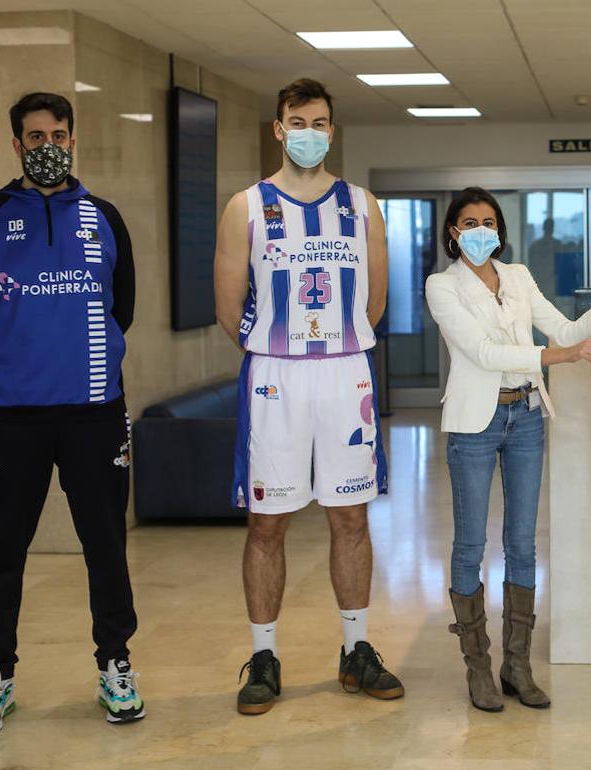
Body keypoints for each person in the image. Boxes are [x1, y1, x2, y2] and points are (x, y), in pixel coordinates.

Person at [0, 92, 142, 735]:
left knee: (106, 546)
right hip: (11, 416)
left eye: (58, 133)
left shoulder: (104, 217)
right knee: (1, 549)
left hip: (93, 414)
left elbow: (123, 308)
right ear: (17, 145)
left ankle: (115, 663)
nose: (48, 145)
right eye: (34, 136)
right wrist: (3, 363)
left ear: (74, 138)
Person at [214, 78, 400, 715]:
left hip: (345, 372)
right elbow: (226, 304)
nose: (310, 132)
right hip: (276, 374)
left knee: (350, 516)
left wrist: (333, 343)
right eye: (298, 120)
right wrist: (282, 345)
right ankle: (263, 657)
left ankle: (357, 650)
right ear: (277, 127)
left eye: (320, 122)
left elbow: (373, 302)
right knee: (267, 522)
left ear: (332, 130)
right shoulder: (246, 205)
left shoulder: (362, 204)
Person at [425, 187, 591, 712]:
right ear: (453, 232)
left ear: (500, 229)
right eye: (469, 222)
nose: (480, 230)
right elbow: (483, 351)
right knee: (471, 544)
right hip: (476, 420)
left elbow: (562, 326)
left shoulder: (516, 277)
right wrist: (560, 355)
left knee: (522, 542)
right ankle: (478, 668)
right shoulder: (440, 286)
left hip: (526, 417)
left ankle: (517, 664)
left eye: (488, 221)